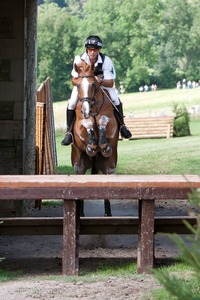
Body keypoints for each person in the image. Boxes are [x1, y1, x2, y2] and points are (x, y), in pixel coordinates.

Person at [61, 35, 132, 146]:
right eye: (90, 49)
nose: (92, 52)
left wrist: (98, 81)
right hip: (84, 86)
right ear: (87, 49)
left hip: (101, 85)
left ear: (98, 50)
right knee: (72, 103)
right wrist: (83, 82)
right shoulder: (79, 59)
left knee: (115, 99)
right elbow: (73, 79)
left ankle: (122, 126)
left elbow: (110, 82)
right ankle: (69, 133)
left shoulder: (105, 60)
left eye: (95, 50)